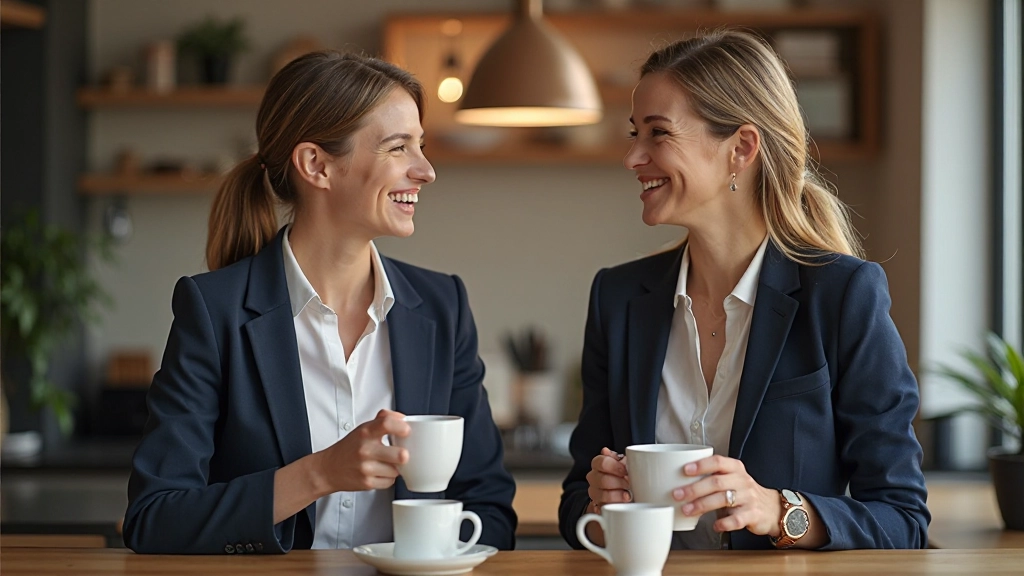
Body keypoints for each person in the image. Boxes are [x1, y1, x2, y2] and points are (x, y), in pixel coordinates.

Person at [123, 51, 517, 554]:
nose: (426, 171)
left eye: (420, 146)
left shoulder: (444, 307)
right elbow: (155, 518)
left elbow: (489, 509)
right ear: (316, 165)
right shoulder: (214, 310)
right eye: (398, 148)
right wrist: (319, 474)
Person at [558, 30, 929, 551]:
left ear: (741, 148)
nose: (632, 158)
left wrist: (780, 511)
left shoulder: (843, 295)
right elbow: (576, 502)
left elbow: (903, 519)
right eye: (634, 134)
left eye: (658, 133)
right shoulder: (617, 299)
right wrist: (600, 503)